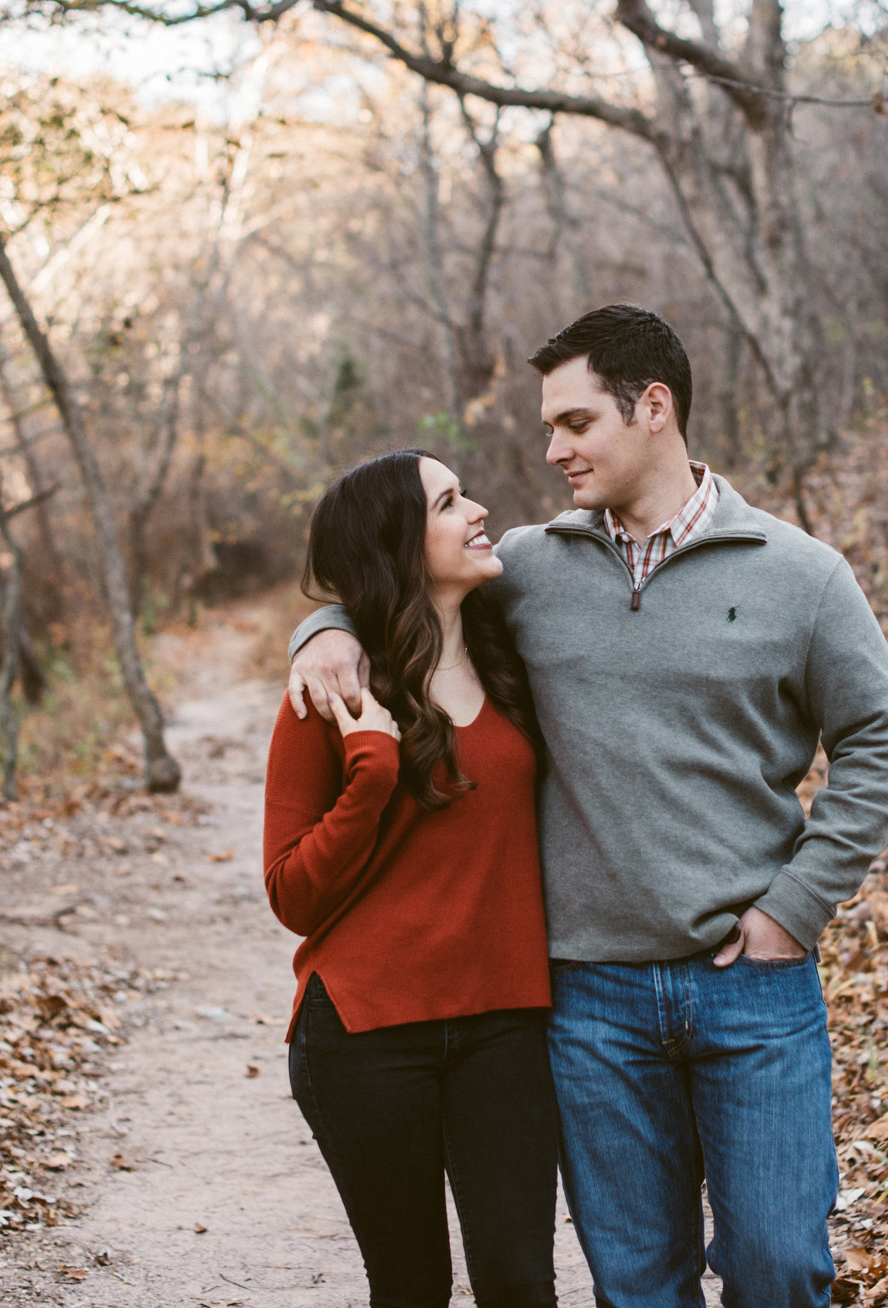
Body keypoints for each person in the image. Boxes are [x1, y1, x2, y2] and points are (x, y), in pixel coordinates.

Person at [286, 305, 888, 1308]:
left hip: (752, 985)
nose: (554, 450)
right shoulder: (529, 569)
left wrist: (794, 908)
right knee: (635, 1283)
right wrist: (322, 629)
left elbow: (883, 744)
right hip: (589, 1001)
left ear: (653, 408)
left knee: (779, 1267)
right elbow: (398, 582)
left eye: (576, 423)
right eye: (551, 426)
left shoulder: (801, 576)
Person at [263, 449, 557, 1308]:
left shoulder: (513, 653)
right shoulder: (331, 693)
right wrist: (372, 773)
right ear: (398, 543)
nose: (478, 510)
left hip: (506, 1023)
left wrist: (321, 624)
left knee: (520, 1284)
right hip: (365, 1033)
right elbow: (291, 894)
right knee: (412, 1287)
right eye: (449, 503)